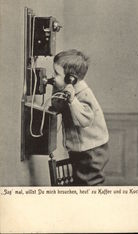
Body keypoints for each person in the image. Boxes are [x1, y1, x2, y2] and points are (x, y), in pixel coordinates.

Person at [52, 49, 109, 186]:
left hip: (91, 151)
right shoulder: (69, 90)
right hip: (81, 149)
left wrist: (72, 100)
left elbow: (84, 120)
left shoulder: (83, 95)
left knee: (89, 183)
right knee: (80, 180)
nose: (53, 76)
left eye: (56, 73)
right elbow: (58, 105)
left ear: (70, 79)